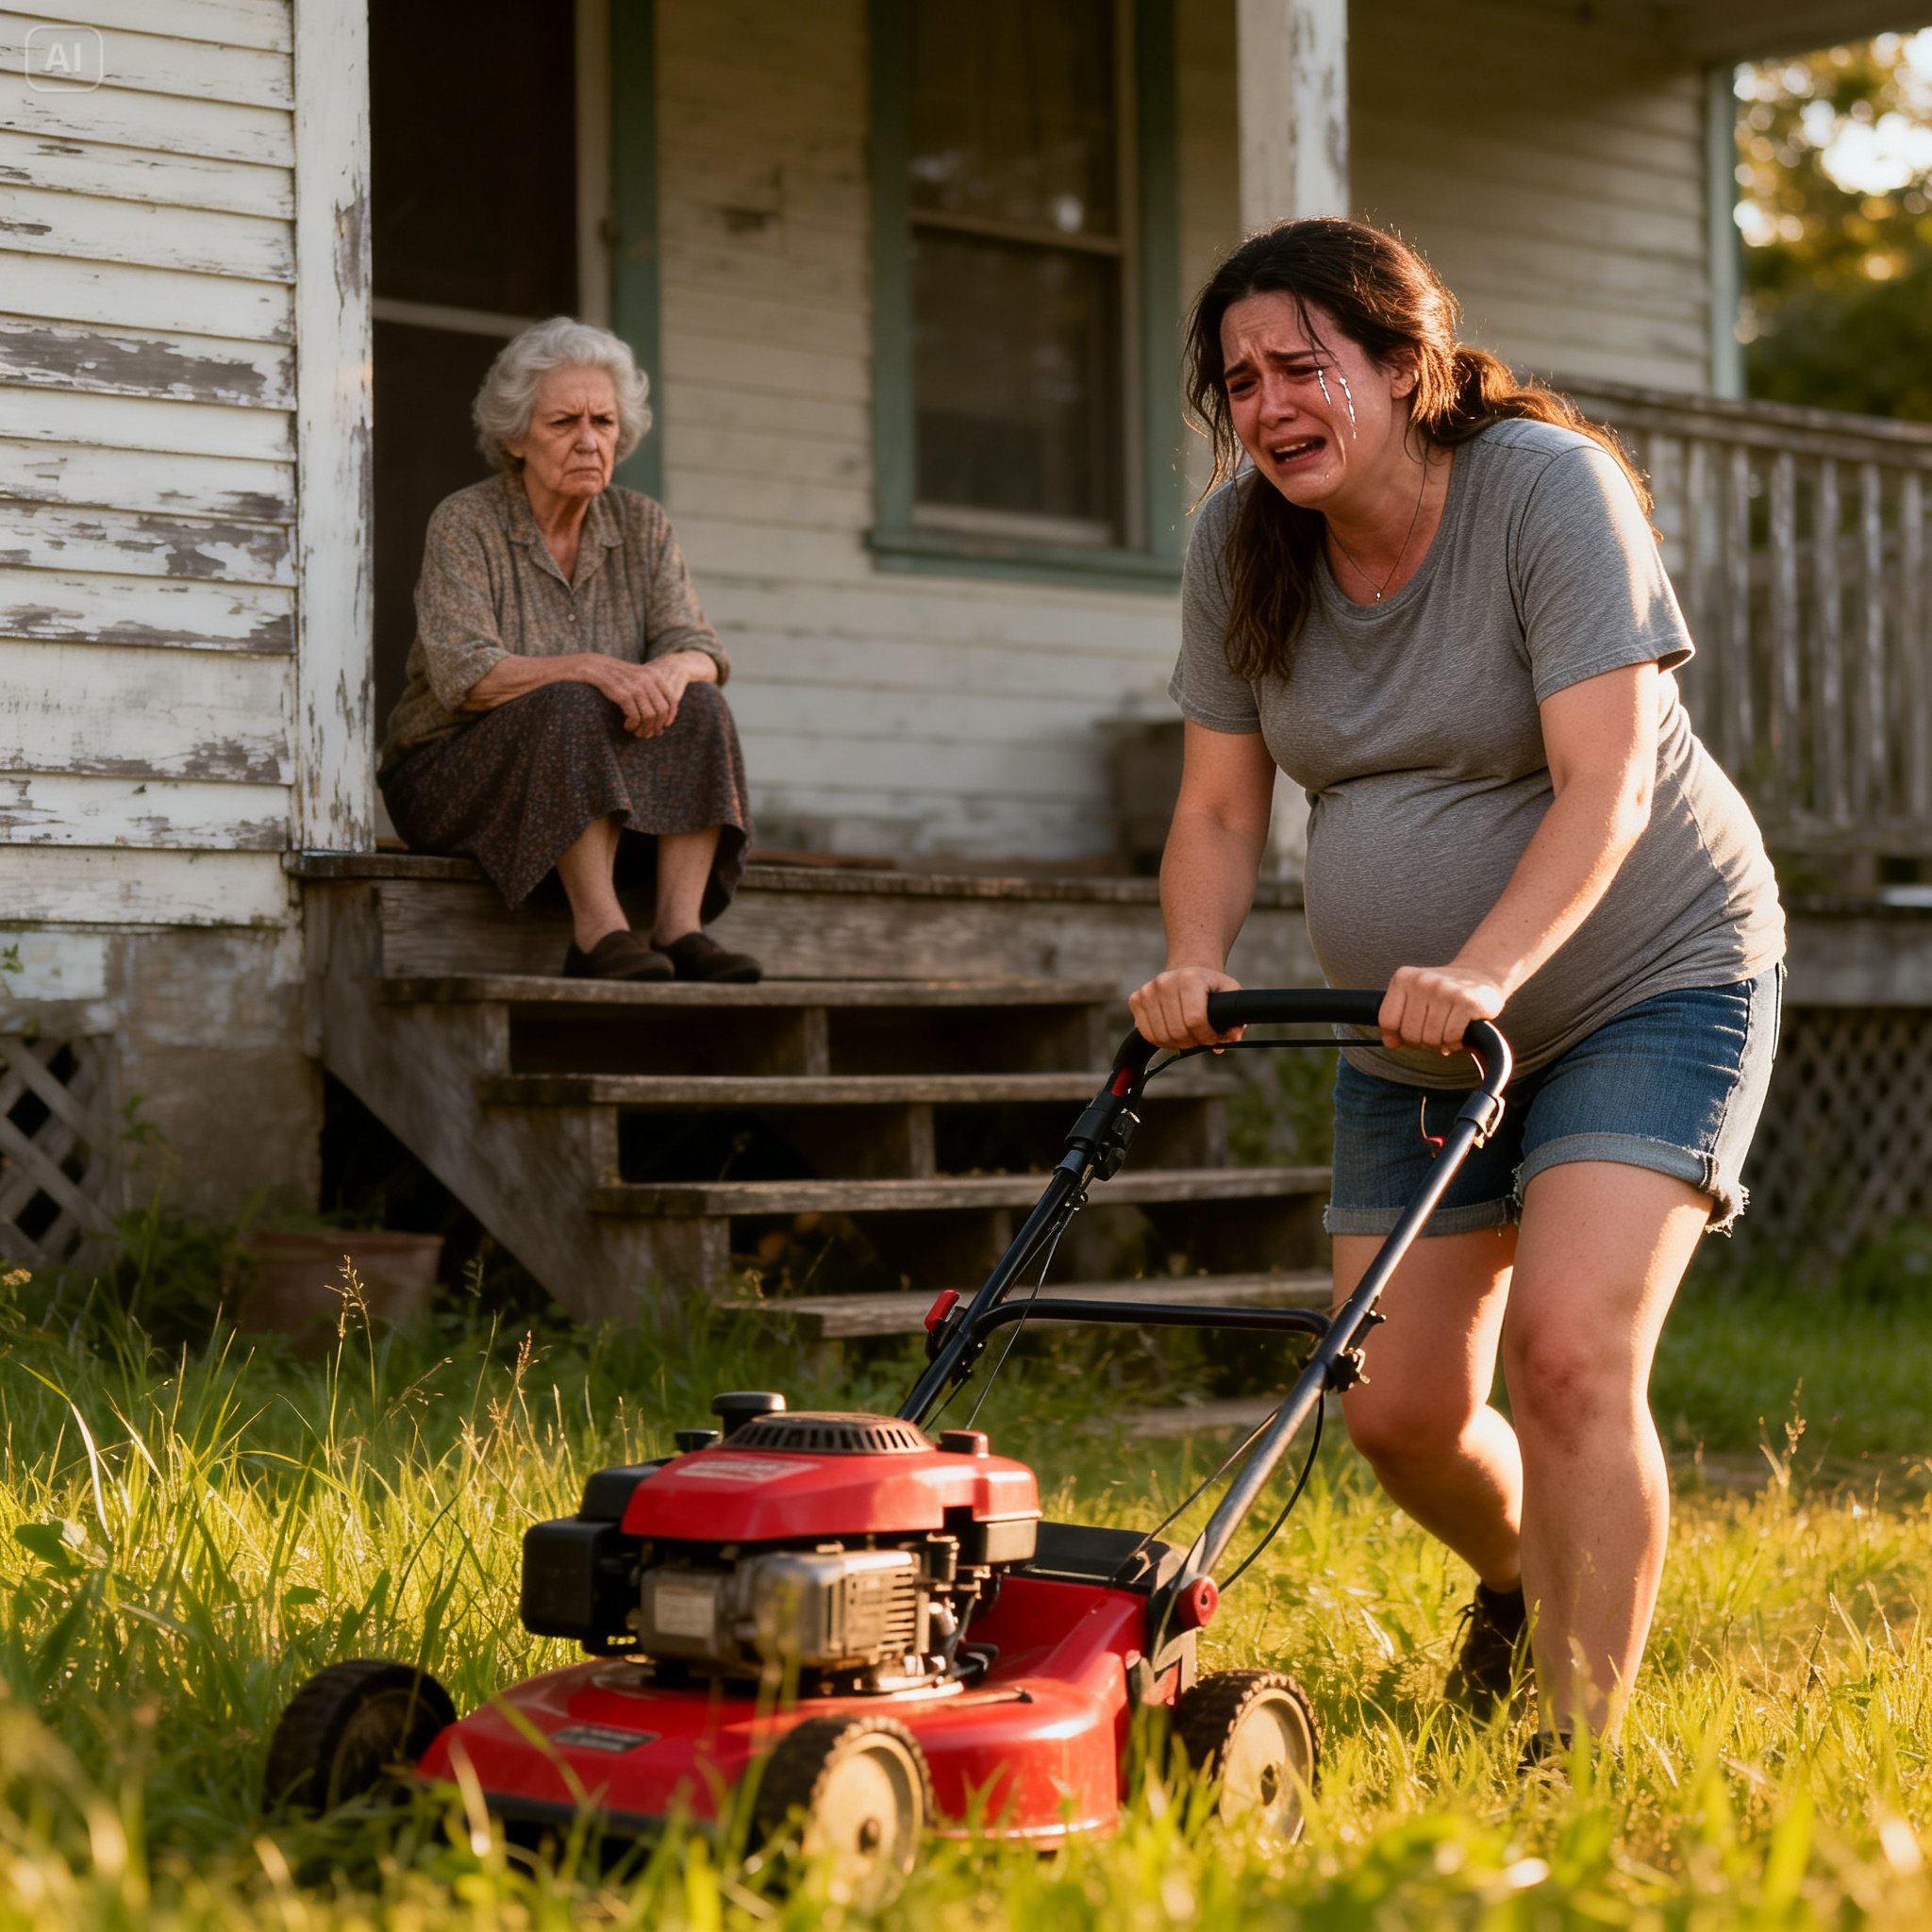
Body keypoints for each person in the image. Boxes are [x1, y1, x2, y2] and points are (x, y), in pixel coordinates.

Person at [1128, 219, 1783, 1757]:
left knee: (1568, 1355)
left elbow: (1608, 784)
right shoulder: (1239, 544)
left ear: (1404, 364)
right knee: (1397, 1411)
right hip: (1411, 1034)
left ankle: (1576, 1751)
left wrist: (1482, 966)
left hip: (1648, 977)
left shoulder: (1545, 490)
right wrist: (1194, 958)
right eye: (1240, 380)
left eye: (1302, 365)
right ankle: (1515, 1584)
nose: (1268, 404)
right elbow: (1216, 808)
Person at [378, 317, 760, 983]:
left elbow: (701, 648)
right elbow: (467, 675)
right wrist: (592, 668)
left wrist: (671, 671)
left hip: (604, 787)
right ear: (516, 437)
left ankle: (679, 930)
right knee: (572, 702)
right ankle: (598, 935)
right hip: (449, 779)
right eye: (564, 423)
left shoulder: (641, 524)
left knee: (700, 703)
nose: (589, 440)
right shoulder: (466, 522)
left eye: (603, 422)